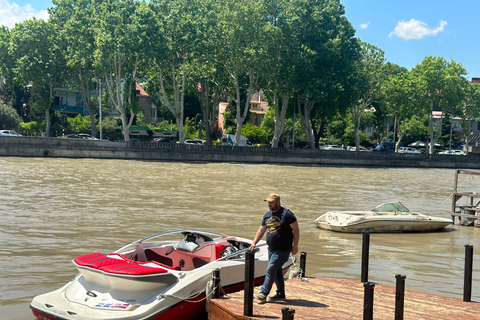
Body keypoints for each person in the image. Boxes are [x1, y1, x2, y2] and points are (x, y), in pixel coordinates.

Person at [249, 193, 299, 303]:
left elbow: (296, 229)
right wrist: (254, 243)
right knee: (276, 271)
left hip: (283, 249)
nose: (269, 204)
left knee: (270, 270)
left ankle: (263, 293)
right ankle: (280, 294)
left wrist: (295, 246)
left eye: (271, 202)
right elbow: (262, 230)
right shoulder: (267, 215)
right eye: (268, 202)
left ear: (278, 202)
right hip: (271, 249)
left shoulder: (287, 214)